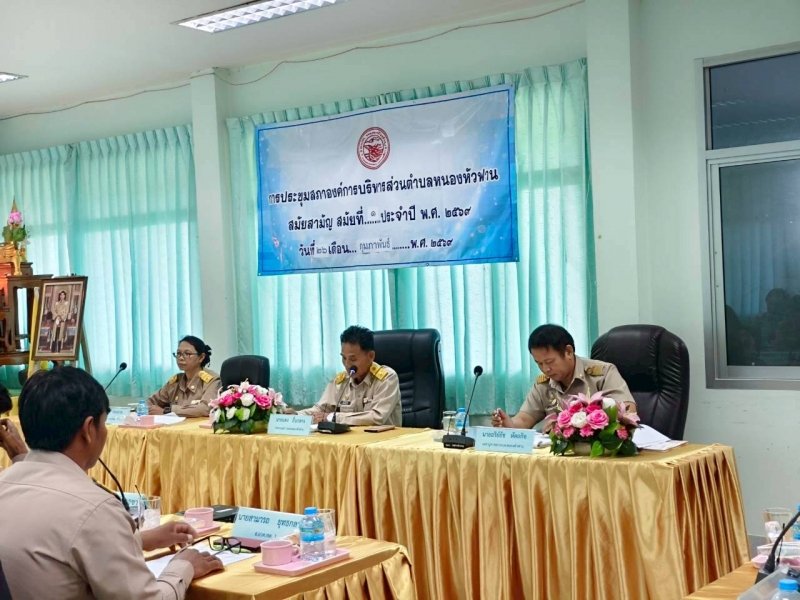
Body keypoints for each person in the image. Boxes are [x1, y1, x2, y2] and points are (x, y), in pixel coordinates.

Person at [0, 366, 223, 599]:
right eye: (104, 423)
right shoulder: (94, 509)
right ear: (89, 429)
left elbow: (56, 546)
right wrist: (183, 567)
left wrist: (140, 540)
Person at [492, 324, 636, 430]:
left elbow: (628, 412)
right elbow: (524, 420)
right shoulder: (543, 384)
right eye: (539, 363)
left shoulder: (603, 373)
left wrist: (570, 424)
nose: (545, 369)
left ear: (568, 352)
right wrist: (509, 424)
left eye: (549, 362)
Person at [284, 325, 402, 426]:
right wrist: (297, 415)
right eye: (344, 358)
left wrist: (333, 417)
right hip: (349, 441)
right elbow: (320, 410)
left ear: (370, 356)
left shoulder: (387, 378)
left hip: (383, 441)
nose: (347, 364)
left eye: (353, 359)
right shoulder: (341, 381)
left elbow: (377, 417)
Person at [147, 336, 220, 417]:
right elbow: (150, 402)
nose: (181, 358)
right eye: (179, 353)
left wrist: (168, 411)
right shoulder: (175, 382)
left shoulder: (212, 380)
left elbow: (206, 408)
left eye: (187, 354)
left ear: (201, 357)